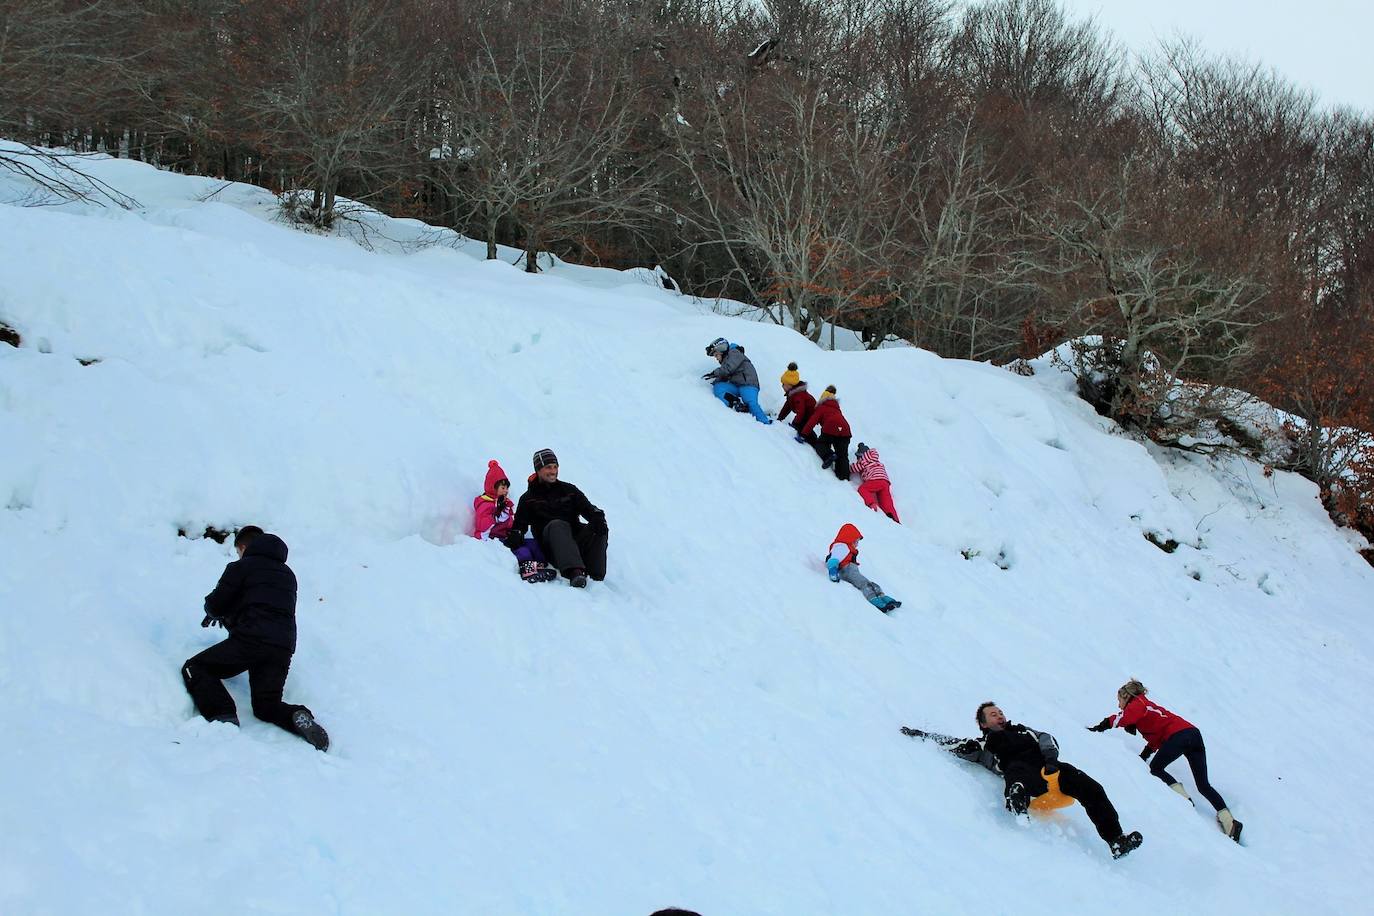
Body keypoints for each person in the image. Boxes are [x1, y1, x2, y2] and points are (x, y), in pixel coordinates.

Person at [902, 703, 1142, 858]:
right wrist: (922, 735)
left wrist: (1051, 759)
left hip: (1050, 767)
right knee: (1016, 772)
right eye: (993, 715)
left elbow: (1048, 739)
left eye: (1000, 713)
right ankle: (1016, 798)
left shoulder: (1024, 730)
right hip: (1020, 772)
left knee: (1093, 789)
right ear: (984, 724)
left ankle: (1116, 840)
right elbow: (953, 744)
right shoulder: (984, 744)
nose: (1000, 716)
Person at [182, 526, 329, 751]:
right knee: (266, 705)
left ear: (243, 547)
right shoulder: (288, 575)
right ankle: (296, 716)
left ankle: (223, 716)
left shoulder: (241, 567)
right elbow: (261, 603)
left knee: (195, 668)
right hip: (282, 647)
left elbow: (217, 603)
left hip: (251, 640)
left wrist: (212, 611)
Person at [1088, 679, 1242, 842]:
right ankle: (1230, 823)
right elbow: (1158, 739)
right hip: (1193, 735)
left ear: (1127, 697)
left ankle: (1183, 800)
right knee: (1203, 785)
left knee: (1156, 768)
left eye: (1119, 701)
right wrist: (1143, 755)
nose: (1119, 705)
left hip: (1180, 736)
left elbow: (1123, 718)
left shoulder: (1138, 703)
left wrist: (1100, 726)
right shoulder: (1146, 707)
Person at [505, 448, 608, 588]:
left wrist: (597, 517)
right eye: (548, 467)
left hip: (574, 543)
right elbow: (519, 525)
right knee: (558, 525)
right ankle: (574, 572)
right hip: (551, 547)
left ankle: (595, 575)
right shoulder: (528, 498)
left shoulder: (569, 490)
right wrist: (516, 534)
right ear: (538, 469)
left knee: (598, 526)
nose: (553, 471)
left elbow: (589, 509)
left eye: (555, 467)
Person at [472, 459, 557, 583]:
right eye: (502, 487)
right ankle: (527, 571)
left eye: (507, 487)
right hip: (494, 540)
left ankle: (538, 565)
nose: (506, 490)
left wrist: (515, 531)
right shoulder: (485, 504)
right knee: (523, 550)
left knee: (533, 543)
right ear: (493, 488)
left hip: (506, 537)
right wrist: (495, 517)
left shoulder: (504, 504)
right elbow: (482, 526)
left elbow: (509, 523)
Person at [826, 523, 900, 612]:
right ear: (849, 539)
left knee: (869, 583)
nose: (857, 544)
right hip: (846, 571)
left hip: (850, 571)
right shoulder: (842, 547)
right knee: (864, 584)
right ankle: (876, 601)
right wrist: (833, 571)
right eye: (856, 541)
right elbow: (833, 559)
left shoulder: (845, 547)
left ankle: (883, 597)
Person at [702, 337, 771, 424]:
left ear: (721, 349)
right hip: (737, 386)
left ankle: (765, 422)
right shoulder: (726, 360)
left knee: (751, 403)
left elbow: (728, 369)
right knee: (719, 387)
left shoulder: (734, 353)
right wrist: (711, 382)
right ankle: (736, 404)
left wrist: (714, 373)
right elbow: (725, 375)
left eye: (716, 355)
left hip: (748, 384)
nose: (716, 358)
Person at [803, 385, 852, 480]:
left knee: (821, 444)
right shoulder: (837, 409)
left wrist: (803, 434)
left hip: (830, 427)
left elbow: (811, 422)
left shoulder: (822, 407)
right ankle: (844, 477)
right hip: (845, 430)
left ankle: (829, 455)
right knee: (843, 455)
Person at [852, 443, 900, 523]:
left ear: (861, 455)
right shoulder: (876, 460)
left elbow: (854, 468)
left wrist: (848, 468)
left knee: (863, 489)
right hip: (885, 482)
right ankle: (894, 518)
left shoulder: (863, 461)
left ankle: (871, 504)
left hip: (875, 479)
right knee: (886, 501)